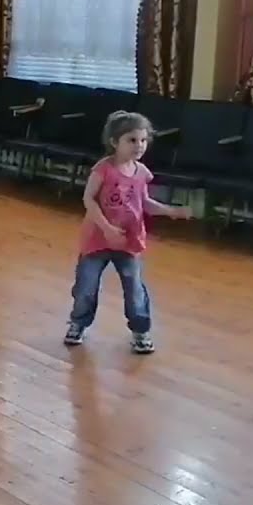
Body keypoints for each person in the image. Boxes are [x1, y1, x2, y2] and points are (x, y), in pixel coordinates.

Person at [64, 111, 193, 354]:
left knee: (134, 289)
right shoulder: (103, 170)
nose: (139, 145)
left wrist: (170, 211)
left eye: (143, 140)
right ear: (115, 142)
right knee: (86, 286)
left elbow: (144, 203)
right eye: (132, 140)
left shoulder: (142, 172)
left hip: (129, 240)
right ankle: (78, 323)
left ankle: (140, 331)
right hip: (97, 239)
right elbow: (88, 200)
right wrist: (107, 228)